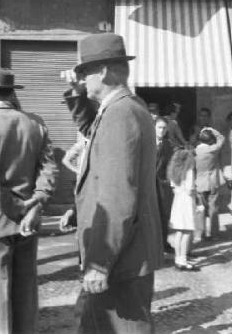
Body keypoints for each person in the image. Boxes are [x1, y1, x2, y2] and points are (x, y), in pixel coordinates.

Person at [63, 33, 163, 333]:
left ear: (103, 71)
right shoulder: (127, 106)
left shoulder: (119, 114)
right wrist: (76, 94)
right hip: (127, 251)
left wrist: (99, 262)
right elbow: (92, 130)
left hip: (120, 256)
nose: (80, 79)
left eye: (83, 72)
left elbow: (118, 196)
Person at [0, 66, 57, 334]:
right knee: (25, 297)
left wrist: (15, 208)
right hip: (28, 222)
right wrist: (36, 203)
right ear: (11, 92)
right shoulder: (35, 123)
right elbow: (49, 168)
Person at [167, 149, 199, 272]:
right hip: (186, 201)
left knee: (179, 232)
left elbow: (173, 187)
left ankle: (178, 258)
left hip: (177, 201)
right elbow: (190, 189)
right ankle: (184, 259)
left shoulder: (174, 171)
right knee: (187, 232)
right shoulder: (189, 171)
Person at [195, 127, 225, 240]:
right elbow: (221, 138)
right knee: (214, 208)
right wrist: (211, 129)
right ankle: (214, 234)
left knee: (200, 208)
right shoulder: (213, 149)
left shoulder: (195, 151)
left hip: (199, 182)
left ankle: (199, 234)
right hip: (212, 181)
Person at [155, 116, 176, 253]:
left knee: (164, 214)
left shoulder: (169, 144)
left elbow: (171, 165)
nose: (162, 130)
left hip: (163, 184)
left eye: (164, 128)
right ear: (154, 128)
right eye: (159, 127)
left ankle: (163, 243)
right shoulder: (146, 142)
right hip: (148, 183)